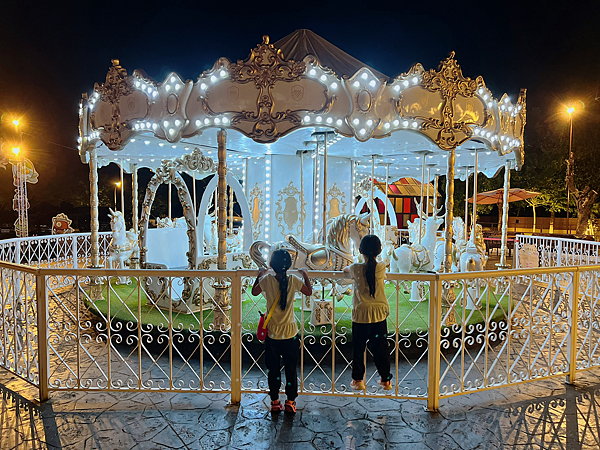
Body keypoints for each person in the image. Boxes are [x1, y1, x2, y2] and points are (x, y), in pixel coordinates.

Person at [251, 250, 312, 413]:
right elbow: (308, 291)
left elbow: (254, 291)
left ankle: (275, 401)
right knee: (291, 369)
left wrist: (259, 274)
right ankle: (290, 401)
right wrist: (305, 274)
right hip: (290, 333)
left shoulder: (266, 280)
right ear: (289, 265)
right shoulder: (293, 279)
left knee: (273, 369)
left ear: (271, 265)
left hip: (272, 333)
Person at [343, 234, 392, 391]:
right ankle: (385, 379)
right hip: (379, 313)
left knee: (358, 348)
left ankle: (358, 380)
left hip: (361, 314)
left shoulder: (356, 268)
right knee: (381, 348)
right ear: (379, 251)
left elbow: (345, 270)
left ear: (360, 250)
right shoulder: (382, 267)